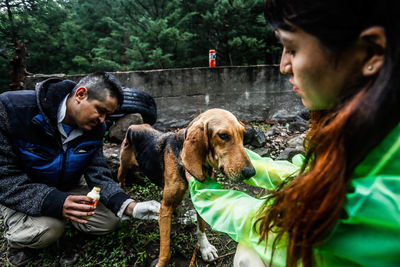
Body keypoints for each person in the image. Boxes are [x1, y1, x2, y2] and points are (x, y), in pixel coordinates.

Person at [186, 1, 400, 266]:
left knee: (248, 256)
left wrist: (205, 192)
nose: (283, 66)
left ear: (369, 52)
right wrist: (254, 164)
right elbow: (310, 175)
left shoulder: (380, 201)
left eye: (293, 48)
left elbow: (283, 227)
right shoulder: (377, 129)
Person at [0, 72, 160, 266]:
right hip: (24, 192)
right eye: (100, 111)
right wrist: (56, 202)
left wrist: (129, 206)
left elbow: (98, 174)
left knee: (110, 221)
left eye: (107, 115)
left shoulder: (95, 129)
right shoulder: (12, 110)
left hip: (67, 187)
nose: (102, 120)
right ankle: (18, 241)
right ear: (81, 94)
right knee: (49, 229)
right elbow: (5, 178)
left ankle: (64, 219)